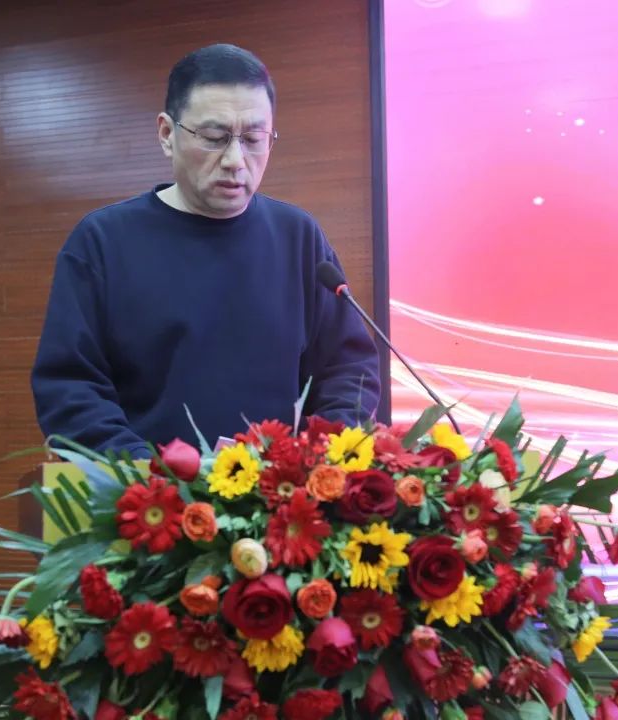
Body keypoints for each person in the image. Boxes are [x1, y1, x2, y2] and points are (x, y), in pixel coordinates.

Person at [30, 44, 380, 457]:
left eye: (254, 139)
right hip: (146, 491)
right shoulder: (102, 242)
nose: (235, 159)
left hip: (281, 492)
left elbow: (348, 370)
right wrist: (153, 475)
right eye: (215, 138)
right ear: (167, 134)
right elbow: (70, 388)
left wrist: (319, 458)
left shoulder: (299, 237)